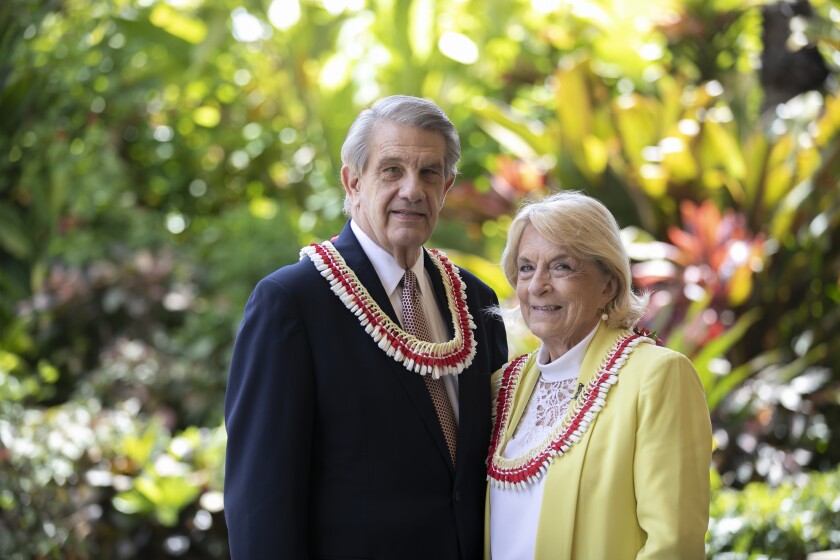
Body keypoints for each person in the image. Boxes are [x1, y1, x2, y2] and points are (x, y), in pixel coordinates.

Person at [224, 95, 509, 559]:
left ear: (448, 185)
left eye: (429, 172)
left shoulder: (476, 302)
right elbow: (261, 501)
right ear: (353, 181)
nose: (412, 190)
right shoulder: (293, 303)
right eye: (392, 170)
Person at [485, 191, 712, 559]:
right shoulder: (504, 385)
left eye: (561, 266)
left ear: (608, 284)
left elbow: (674, 545)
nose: (538, 285)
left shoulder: (657, 376)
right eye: (526, 268)